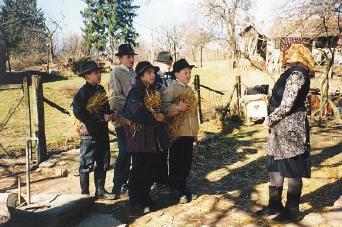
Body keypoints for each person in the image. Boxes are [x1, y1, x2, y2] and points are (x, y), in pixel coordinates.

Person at [256, 42, 315, 223]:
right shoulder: (291, 72)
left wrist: (270, 119)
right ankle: (274, 205)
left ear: (297, 55)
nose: (285, 55)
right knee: (275, 165)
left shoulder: (298, 73)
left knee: (292, 168)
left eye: (288, 53)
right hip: (280, 128)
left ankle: (292, 210)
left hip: (290, 128)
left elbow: (287, 104)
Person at [123, 61, 168, 214]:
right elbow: (134, 112)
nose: (153, 75)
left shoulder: (150, 90)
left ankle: (145, 197)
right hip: (139, 139)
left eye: (154, 72)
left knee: (149, 169)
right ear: (141, 75)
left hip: (149, 139)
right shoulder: (136, 90)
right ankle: (136, 200)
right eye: (149, 72)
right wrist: (155, 117)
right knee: (139, 170)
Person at [72, 60, 116, 200]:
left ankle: (100, 190)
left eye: (99, 72)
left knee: (103, 161)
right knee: (86, 164)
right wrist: (98, 118)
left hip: (102, 132)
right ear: (87, 76)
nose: (99, 74)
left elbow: (106, 107)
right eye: (95, 73)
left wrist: (110, 114)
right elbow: (78, 112)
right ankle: (84, 194)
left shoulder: (101, 90)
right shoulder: (82, 93)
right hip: (89, 135)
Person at [162, 59, 199, 204]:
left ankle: (183, 187)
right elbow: (164, 109)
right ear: (176, 74)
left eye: (190, 73)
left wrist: (195, 131)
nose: (188, 76)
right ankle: (175, 190)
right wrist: (177, 108)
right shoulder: (172, 89)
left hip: (188, 133)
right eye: (186, 73)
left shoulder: (189, 90)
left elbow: (194, 112)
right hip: (177, 133)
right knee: (177, 162)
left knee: (186, 162)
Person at [108, 44, 137, 198]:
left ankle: (129, 184)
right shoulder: (116, 73)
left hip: (136, 120)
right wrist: (129, 109)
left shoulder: (134, 73)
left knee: (134, 150)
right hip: (123, 119)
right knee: (125, 151)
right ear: (120, 59)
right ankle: (118, 184)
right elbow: (114, 98)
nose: (131, 59)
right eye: (127, 57)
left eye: (132, 56)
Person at [153, 51, 174, 188]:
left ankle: (168, 177)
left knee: (170, 149)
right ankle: (159, 178)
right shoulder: (156, 79)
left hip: (172, 117)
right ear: (159, 63)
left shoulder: (172, 78)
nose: (169, 65)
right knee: (160, 149)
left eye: (170, 63)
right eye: (166, 63)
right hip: (159, 118)